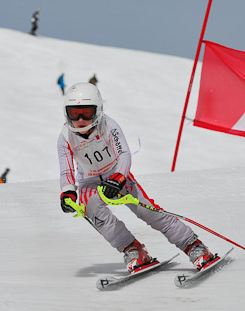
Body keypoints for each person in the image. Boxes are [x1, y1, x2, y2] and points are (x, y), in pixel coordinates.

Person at [57, 83, 218, 274]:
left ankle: (195, 247)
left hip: (117, 175)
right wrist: (67, 193)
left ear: (98, 111)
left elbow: (124, 154)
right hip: (89, 183)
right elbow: (65, 171)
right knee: (92, 209)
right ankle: (133, 250)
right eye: (75, 114)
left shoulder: (109, 126)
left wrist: (118, 178)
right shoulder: (65, 137)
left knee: (148, 211)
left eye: (86, 113)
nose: (81, 120)